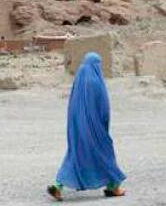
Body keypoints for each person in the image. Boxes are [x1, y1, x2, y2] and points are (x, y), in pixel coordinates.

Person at [47, 53, 126, 201]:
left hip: (77, 127)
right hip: (95, 129)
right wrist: (104, 124)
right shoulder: (96, 82)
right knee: (105, 154)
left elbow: (72, 105)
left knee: (75, 156)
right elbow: (104, 107)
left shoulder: (79, 80)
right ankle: (113, 187)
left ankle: (57, 186)